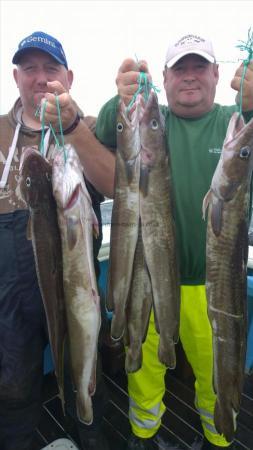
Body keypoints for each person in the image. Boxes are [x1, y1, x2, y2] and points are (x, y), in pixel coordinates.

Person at [95, 33, 253, 450]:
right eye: (179, 68)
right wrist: (122, 95)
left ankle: (220, 435)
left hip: (212, 286)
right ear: (163, 79)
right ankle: (143, 432)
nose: (189, 76)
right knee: (143, 367)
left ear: (217, 74)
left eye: (199, 67)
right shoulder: (153, 120)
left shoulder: (235, 122)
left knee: (215, 370)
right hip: (148, 273)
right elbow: (108, 128)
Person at [0, 31, 115, 450]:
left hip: (74, 279)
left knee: (87, 366)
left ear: (69, 76)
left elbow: (118, 185)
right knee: (13, 385)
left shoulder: (85, 129)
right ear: (16, 77)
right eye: (30, 68)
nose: (40, 78)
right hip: (11, 293)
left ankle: (89, 429)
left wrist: (70, 129)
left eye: (50, 69)